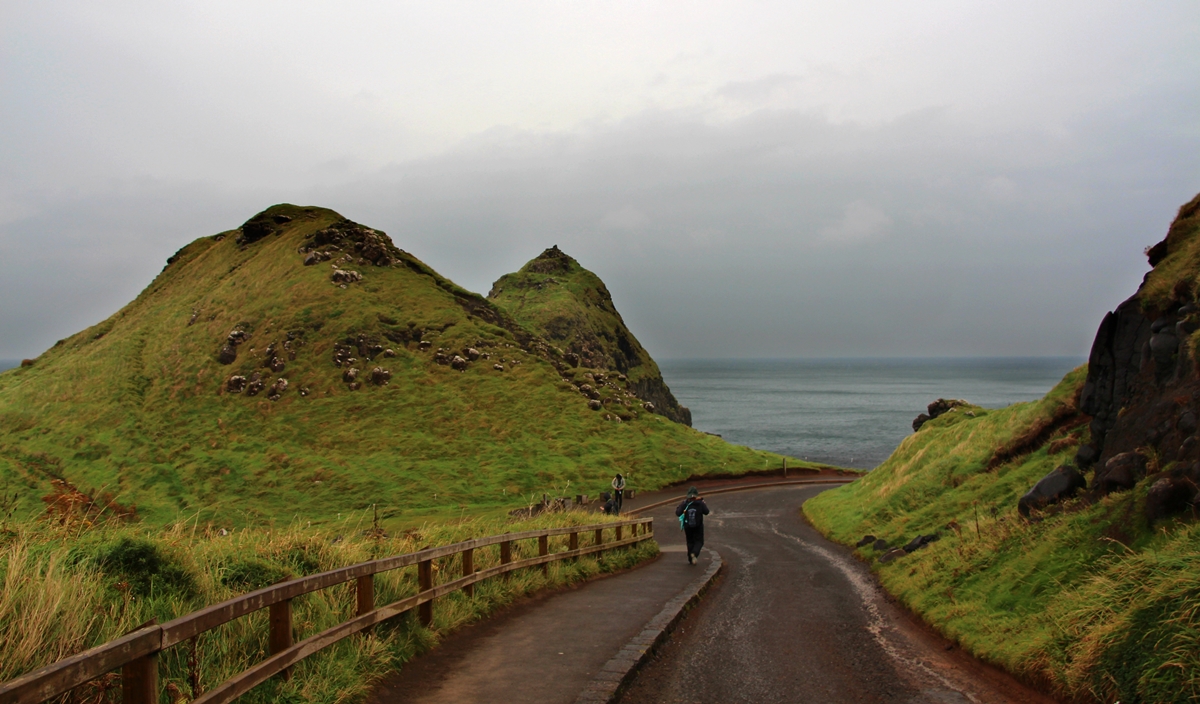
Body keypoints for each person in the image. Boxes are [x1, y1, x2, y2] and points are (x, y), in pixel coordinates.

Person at [675, 487, 710, 565]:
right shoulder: (700, 503)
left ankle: (690, 559)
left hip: (688, 526)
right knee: (699, 541)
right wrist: (703, 503)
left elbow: (678, 513)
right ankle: (694, 553)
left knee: (690, 541)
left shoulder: (685, 503)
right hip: (698, 526)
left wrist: (680, 506)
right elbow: (706, 512)